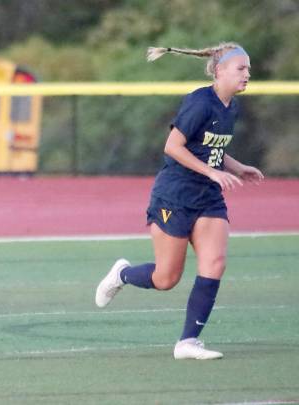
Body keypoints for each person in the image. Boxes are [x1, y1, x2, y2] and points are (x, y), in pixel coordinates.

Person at [95, 43, 264, 359]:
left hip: (208, 198)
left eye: (248, 69)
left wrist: (236, 167)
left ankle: (187, 341)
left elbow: (209, 148)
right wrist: (212, 173)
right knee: (166, 278)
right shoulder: (200, 102)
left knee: (215, 262)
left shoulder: (232, 108)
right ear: (219, 71)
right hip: (175, 195)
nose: (247, 74)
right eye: (241, 68)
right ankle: (122, 274)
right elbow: (173, 146)